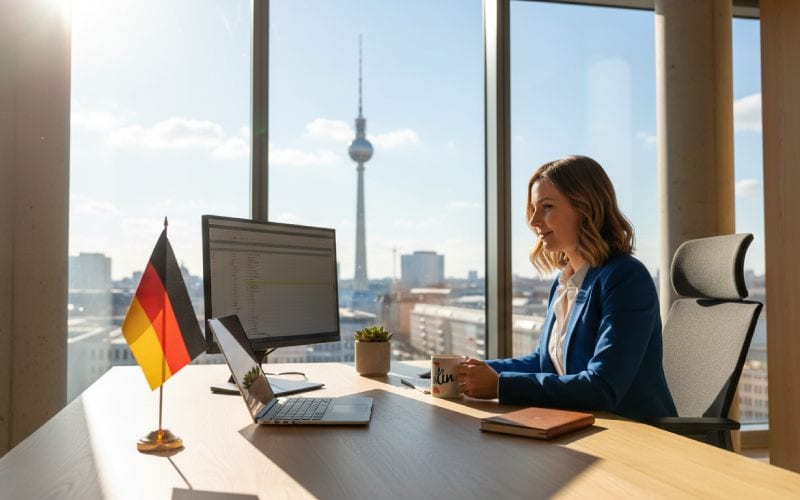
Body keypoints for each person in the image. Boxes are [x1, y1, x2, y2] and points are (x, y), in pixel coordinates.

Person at [457, 155, 677, 420]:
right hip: (580, 425)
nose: (534, 220)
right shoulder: (564, 282)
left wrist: (500, 385)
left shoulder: (625, 277)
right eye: (533, 209)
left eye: (546, 207)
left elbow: (602, 387)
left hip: (634, 434)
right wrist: (469, 371)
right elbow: (543, 361)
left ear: (585, 208)